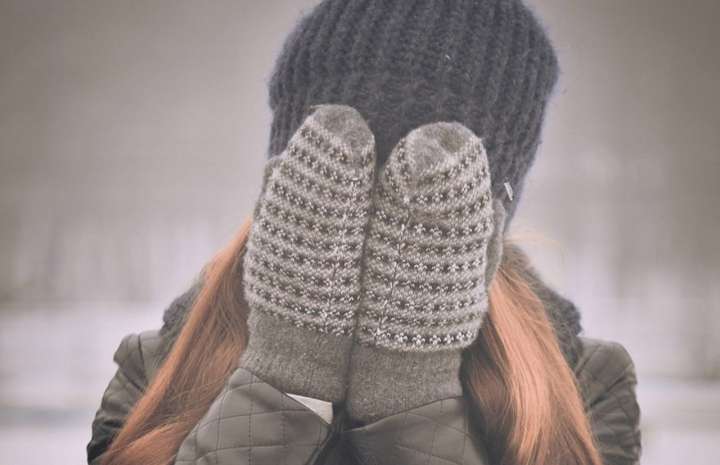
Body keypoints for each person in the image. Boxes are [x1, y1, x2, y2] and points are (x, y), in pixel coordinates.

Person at [87, 1, 641, 464]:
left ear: (488, 220)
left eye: (428, 182)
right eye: (344, 169)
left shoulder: (585, 386)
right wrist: (285, 373)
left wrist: (412, 391)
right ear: (288, 180)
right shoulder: (160, 368)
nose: (379, 205)